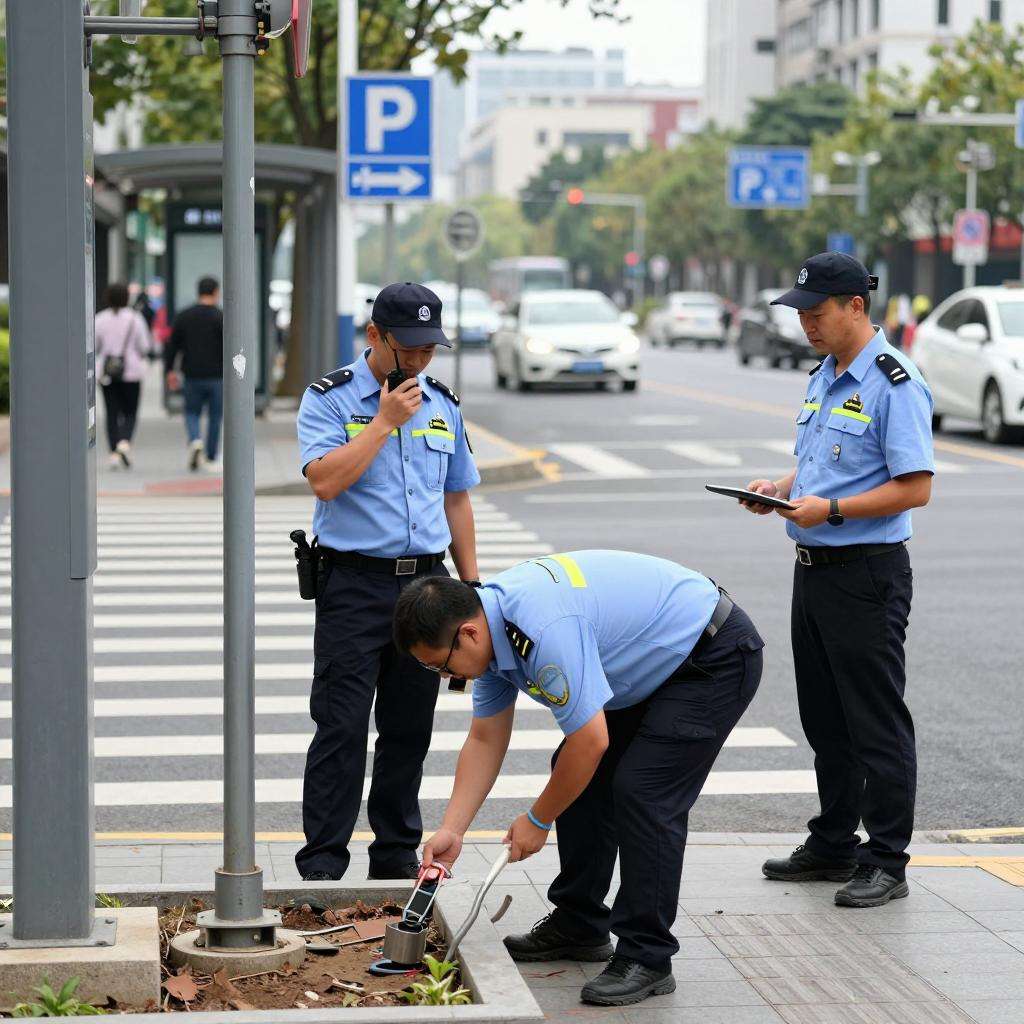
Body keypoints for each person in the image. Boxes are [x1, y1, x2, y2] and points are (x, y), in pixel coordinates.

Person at [393, 551, 764, 1007]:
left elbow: (590, 742)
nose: (445, 676)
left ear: (467, 633)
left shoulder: (542, 631)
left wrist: (539, 818)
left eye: (441, 666)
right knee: (576, 777)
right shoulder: (489, 634)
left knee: (643, 792)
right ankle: (580, 923)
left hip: (710, 656)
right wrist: (453, 829)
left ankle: (647, 956)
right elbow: (486, 738)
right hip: (648, 667)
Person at [743, 252, 934, 909]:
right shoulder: (826, 375)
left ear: (857, 305)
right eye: (800, 313)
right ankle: (832, 843)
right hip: (814, 571)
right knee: (825, 719)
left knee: (874, 721)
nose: (806, 325)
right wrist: (780, 489)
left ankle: (887, 860)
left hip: (866, 574)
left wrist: (835, 511)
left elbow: (916, 487)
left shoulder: (893, 380)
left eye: (816, 313)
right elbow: (821, 468)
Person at [295, 282, 480, 883]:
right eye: (412, 349)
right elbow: (324, 482)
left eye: (432, 349)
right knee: (341, 723)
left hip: (426, 585)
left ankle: (395, 856)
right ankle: (323, 862)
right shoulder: (328, 398)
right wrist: (381, 423)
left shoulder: (443, 403)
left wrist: (471, 588)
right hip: (353, 583)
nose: (423, 362)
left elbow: (456, 498)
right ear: (375, 336)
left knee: (408, 727)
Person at [164, 275, 224, 472]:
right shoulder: (220, 316)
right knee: (215, 416)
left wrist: (170, 371)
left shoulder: (184, 315)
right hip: (216, 376)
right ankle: (211, 455)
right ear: (215, 292)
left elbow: (172, 347)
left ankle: (195, 439)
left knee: (191, 412)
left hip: (191, 375)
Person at [95, 282, 151, 470]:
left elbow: (93, 346)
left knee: (111, 412)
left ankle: (113, 453)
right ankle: (124, 442)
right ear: (127, 298)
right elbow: (144, 347)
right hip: (132, 372)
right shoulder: (136, 319)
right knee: (130, 411)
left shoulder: (100, 319)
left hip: (107, 373)